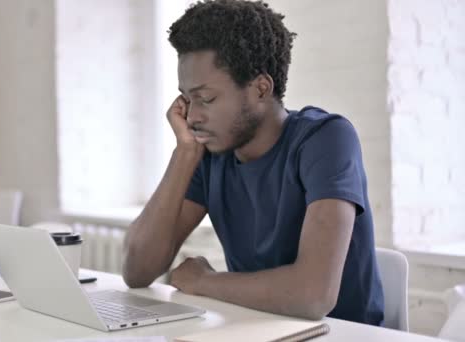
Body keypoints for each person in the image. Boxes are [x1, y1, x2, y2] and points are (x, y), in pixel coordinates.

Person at [122, 0, 384, 326]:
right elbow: (137, 271)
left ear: (261, 88)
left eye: (206, 98)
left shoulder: (325, 139)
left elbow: (313, 295)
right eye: (187, 100)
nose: (192, 116)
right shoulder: (209, 152)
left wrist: (204, 282)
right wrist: (184, 153)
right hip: (256, 329)